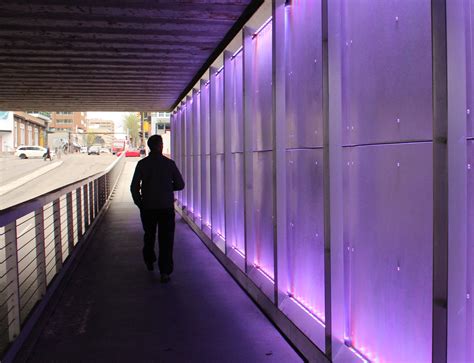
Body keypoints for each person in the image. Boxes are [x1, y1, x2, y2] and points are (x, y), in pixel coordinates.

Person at [130, 134, 185, 282]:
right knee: (166, 239)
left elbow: (134, 187)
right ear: (160, 146)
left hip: (148, 207)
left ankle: (149, 259)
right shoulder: (169, 164)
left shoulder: (142, 164)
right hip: (166, 208)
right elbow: (180, 184)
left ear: (149, 146)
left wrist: (140, 203)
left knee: (149, 235)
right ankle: (165, 272)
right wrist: (167, 188)